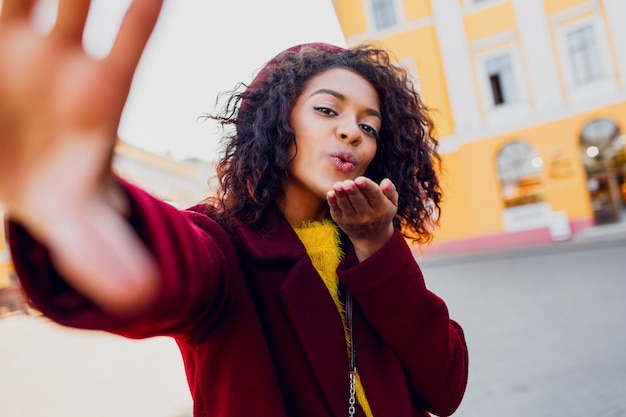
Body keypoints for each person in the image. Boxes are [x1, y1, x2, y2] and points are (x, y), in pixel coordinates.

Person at [0, 1, 468, 416]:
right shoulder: (223, 242)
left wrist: (378, 245)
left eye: (370, 126)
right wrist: (84, 211)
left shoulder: (370, 245)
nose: (353, 132)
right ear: (275, 121)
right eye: (328, 110)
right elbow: (175, 269)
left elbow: (445, 388)